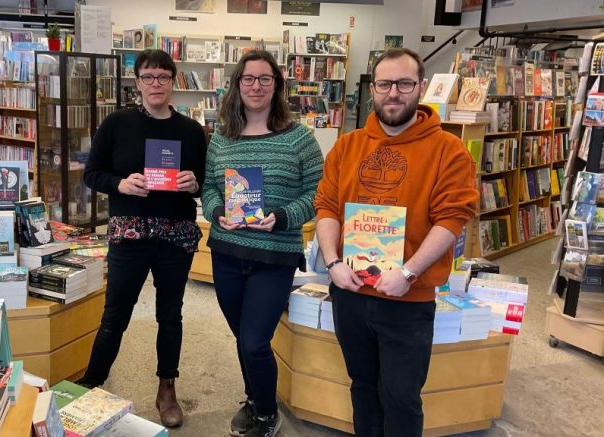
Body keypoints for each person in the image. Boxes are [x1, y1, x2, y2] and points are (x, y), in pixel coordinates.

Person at [314, 47, 479, 437]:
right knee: (363, 387)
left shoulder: (448, 150)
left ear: (421, 87)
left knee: (402, 397)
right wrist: (334, 263)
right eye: (385, 84)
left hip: (408, 299)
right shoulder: (347, 146)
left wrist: (408, 271)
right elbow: (327, 209)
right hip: (351, 294)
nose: (394, 93)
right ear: (373, 88)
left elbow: (452, 218)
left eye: (404, 84)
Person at [80, 49, 207, 428]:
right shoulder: (116, 124)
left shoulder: (190, 130)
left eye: (163, 77)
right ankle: (93, 383)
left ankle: (167, 388)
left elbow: (206, 181)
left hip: (175, 236)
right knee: (115, 313)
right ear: (137, 82)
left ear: (173, 82)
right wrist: (120, 183)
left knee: (170, 315)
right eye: (148, 77)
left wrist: (195, 183)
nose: (156, 84)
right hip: (129, 233)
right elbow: (91, 174)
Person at [201, 50, 323, 437]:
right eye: (248, 79)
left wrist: (284, 216)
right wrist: (216, 207)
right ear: (237, 85)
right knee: (243, 337)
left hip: (275, 255)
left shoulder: (300, 138)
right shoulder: (222, 137)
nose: (256, 86)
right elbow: (207, 187)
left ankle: (268, 414)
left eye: (264, 79)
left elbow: (319, 191)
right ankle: (254, 400)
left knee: (255, 342)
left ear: (277, 85)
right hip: (227, 250)